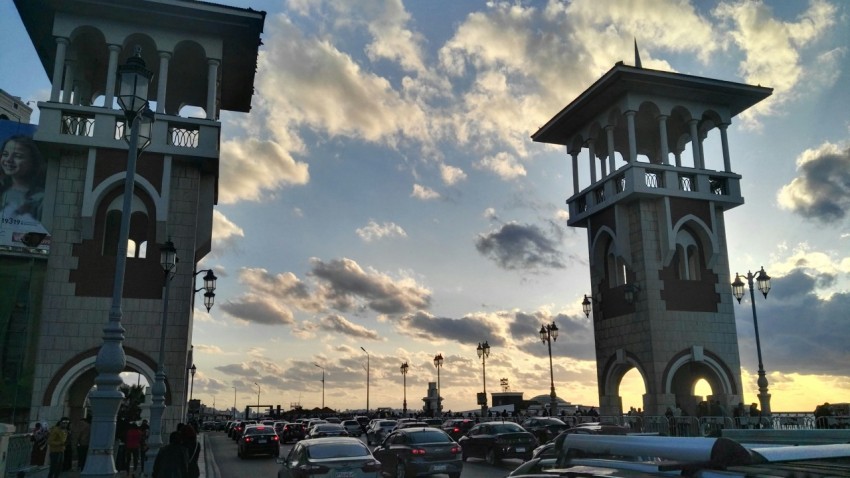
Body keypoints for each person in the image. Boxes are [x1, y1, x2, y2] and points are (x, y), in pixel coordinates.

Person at [0, 134, 46, 220]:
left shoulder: (40, 198)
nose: (9, 160)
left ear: (33, 162)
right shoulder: (2, 189)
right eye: (5, 154)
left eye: (18, 156)